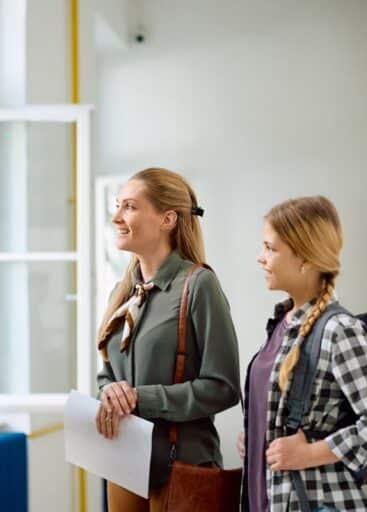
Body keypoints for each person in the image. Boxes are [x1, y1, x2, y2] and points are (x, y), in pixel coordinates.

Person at [238, 196, 367, 511]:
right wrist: (257, 434)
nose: (260, 258)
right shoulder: (282, 323)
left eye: (270, 248)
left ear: (303, 259)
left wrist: (309, 454)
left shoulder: (338, 329)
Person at [95, 168, 241, 511]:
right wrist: (108, 390)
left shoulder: (199, 285)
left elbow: (224, 387)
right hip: (123, 462)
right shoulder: (122, 293)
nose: (116, 217)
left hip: (182, 467)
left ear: (167, 219)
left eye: (129, 206)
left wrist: (139, 399)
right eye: (118, 206)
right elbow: (108, 373)